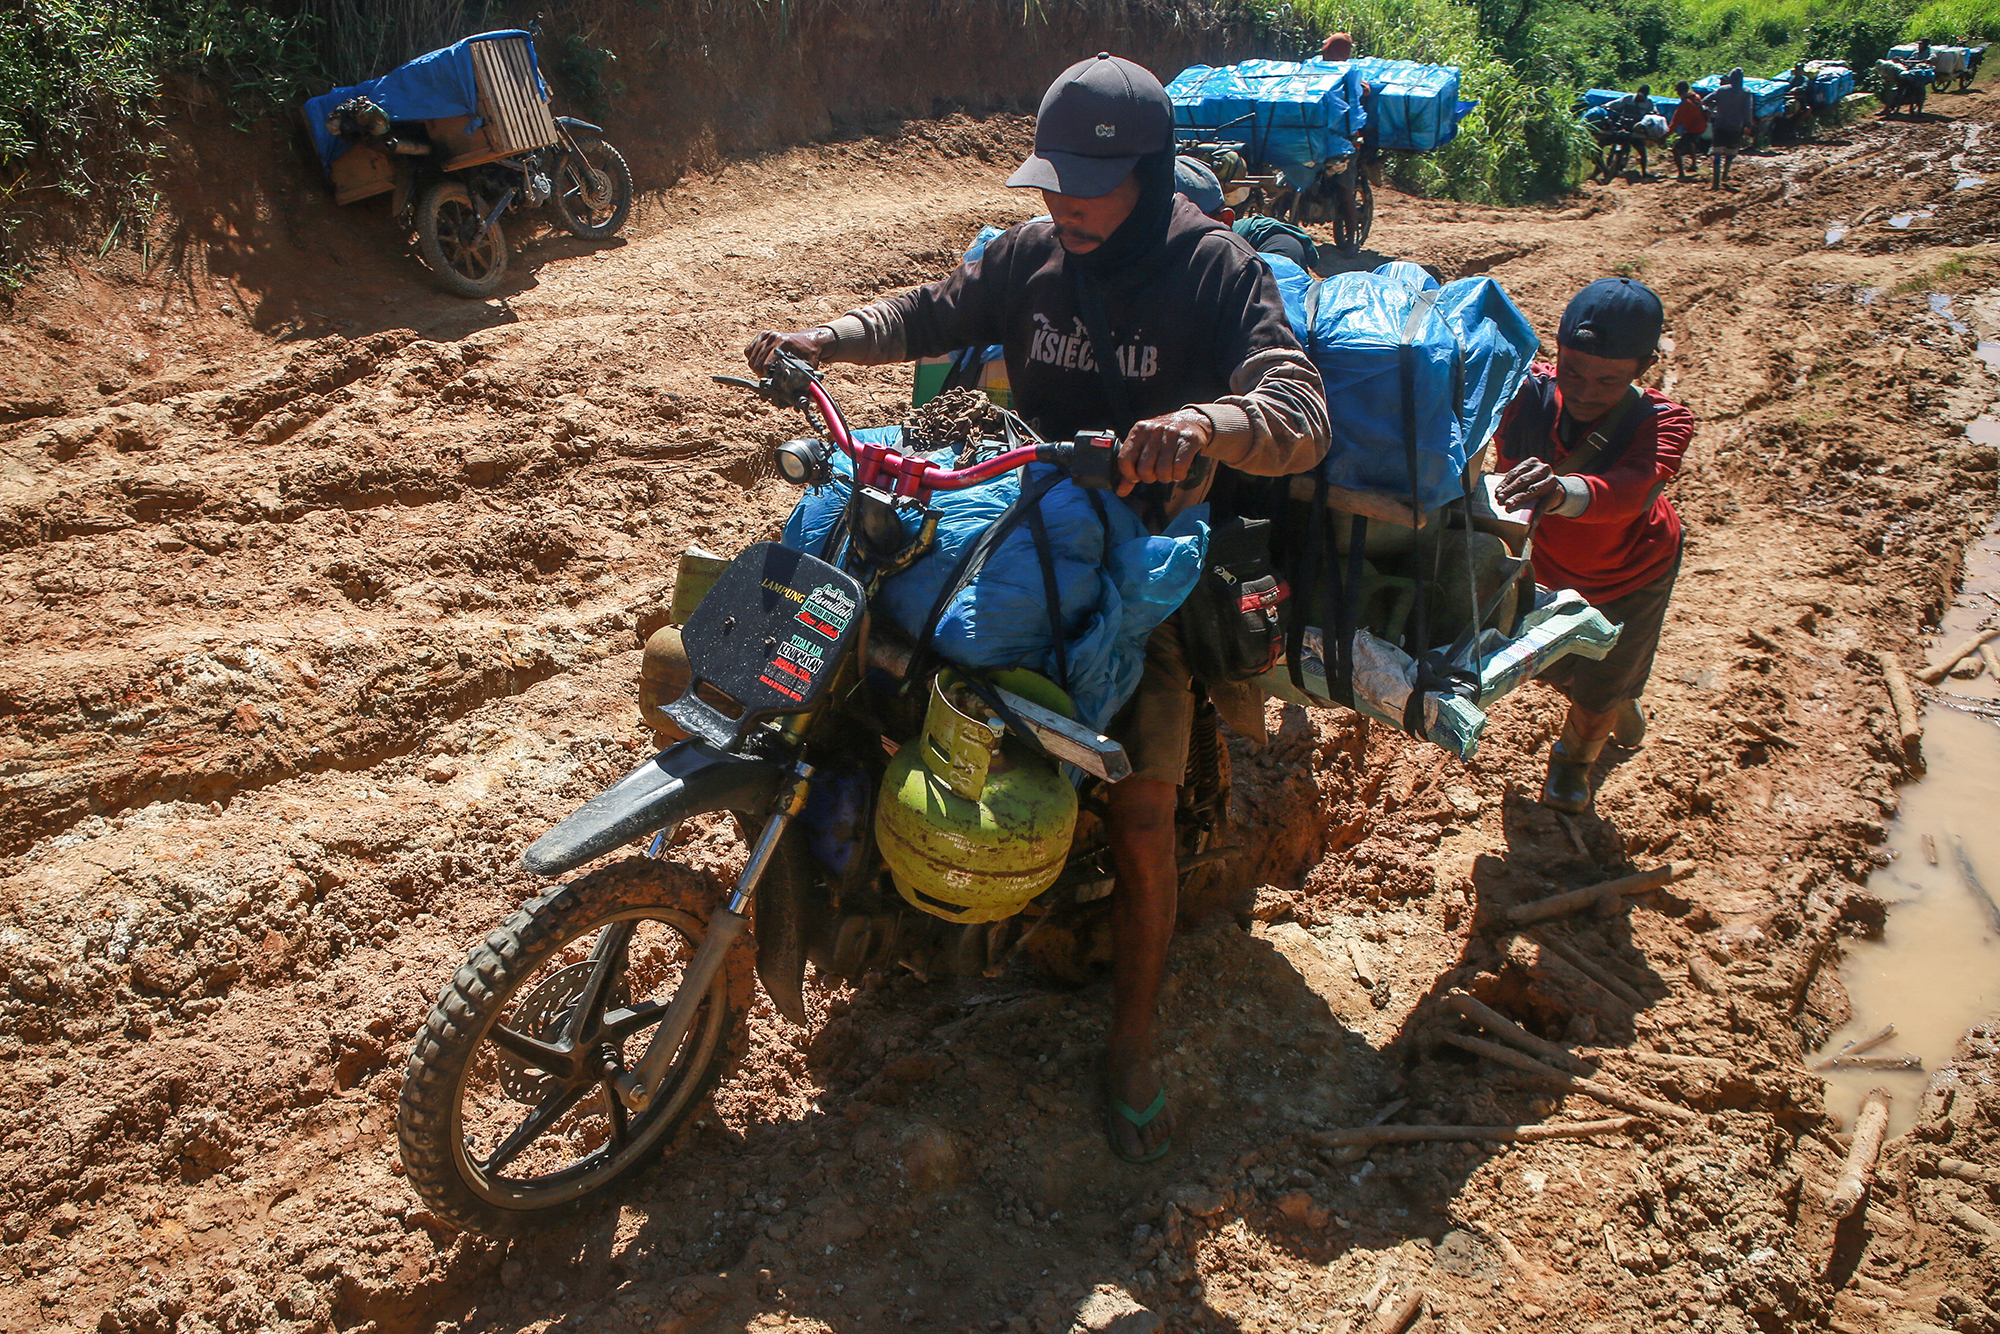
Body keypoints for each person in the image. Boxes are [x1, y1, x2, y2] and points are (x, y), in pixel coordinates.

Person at [745, 53, 1330, 1163]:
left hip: (1141, 567)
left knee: (1140, 810)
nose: (1061, 203)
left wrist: (1202, 425)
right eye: (1049, 182)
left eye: (1085, 184)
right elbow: (931, 309)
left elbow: (1297, 410)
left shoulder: (1217, 269)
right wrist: (825, 339)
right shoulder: (1034, 253)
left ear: (1150, 177)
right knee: (871, 647)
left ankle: (1130, 1040)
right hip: (1018, 523)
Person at [1490, 278, 1693, 814]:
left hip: (1631, 575)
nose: (1582, 391)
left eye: (1607, 380)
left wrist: (1561, 492)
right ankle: (1617, 697)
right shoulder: (1522, 393)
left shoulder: (1664, 421)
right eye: (1573, 371)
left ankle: (1574, 760)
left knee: (1600, 685)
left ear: (1642, 370)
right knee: (1560, 662)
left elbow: (1631, 491)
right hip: (1547, 567)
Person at [1703, 68, 1755, 188]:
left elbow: (1705, 101)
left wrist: (1717, 104)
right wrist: (1748, 125)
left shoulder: (1722, 90)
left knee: (1717, 152)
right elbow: (1748, 111)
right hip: (1736, 127)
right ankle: (1725, 174)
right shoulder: (1746, 92)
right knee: (1730, 152)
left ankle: (1716, 181)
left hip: (1720, 125)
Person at [1607, 84, 1655, 179]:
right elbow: (1616, 103)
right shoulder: (1628, 98)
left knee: (1642, 151)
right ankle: (1609, 165)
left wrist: (1652, 115)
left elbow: (1654, 113)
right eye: (1639, 95)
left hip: (1636, 128)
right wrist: (1607, 106)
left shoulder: (1649, 103)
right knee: (1611, 141)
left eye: (1642, 97)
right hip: (1623, 125)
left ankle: (1644, 172)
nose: (1639, 98)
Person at [1668, 81, 1708, 182]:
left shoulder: (1684, 104)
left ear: (1679, 91)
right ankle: (1694, 165)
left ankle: (1681, 174)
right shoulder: (1695, 97)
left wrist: (1665, 135)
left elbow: (1675, 123)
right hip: (1702, 126)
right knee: (1690, 141)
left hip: (1693, 129)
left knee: (1676, 149)